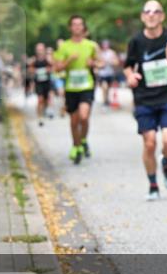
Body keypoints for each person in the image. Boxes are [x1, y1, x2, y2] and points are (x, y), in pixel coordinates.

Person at [124, 0, 167, 201]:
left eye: (156, 11)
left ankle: (166, 160)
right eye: (147, 12)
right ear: (142, 16)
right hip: (144, 98)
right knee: (149, 144)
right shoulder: (136, 41)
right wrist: (130, 76)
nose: (151, 15)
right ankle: (153, 184)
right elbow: (128, 65)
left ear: (162, 16)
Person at [52, 16, 101, 164]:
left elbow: (101, 62)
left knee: (84, 117)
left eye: (80, 24)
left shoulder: (91, 45)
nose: (77, 27)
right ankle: (76, 146)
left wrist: (93, 63)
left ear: (84, 27)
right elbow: (56, 68)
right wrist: (69, 61)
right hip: (71, 88)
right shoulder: (64, 47)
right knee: (74, 121)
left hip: (87, 86)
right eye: (74, 25)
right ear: (70, 28)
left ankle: (83, 139)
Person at [28, 43, 53, 125]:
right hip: (38, 83)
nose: (40, 51)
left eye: (41, 49)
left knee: (46, 100)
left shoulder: (47, 59)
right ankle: (40, 118)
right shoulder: (34, 60)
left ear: (44, 50)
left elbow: (53, 67)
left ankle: (45, 110)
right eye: (38, 50)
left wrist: (48, 68)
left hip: (47, 82)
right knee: (40, 99)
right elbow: (30, 69)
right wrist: (34, 71)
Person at [97, 40, 120, 107]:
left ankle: (107, 99)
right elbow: (97, 63)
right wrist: (100, 65)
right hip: (102, 73)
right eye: (104, 45)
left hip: (110, 73)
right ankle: (104, 101)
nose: (105, 46)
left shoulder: (112, 53)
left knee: (108, 88)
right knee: (104, 87)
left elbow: (116, 62)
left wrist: (111, 62)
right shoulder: (100, 53)